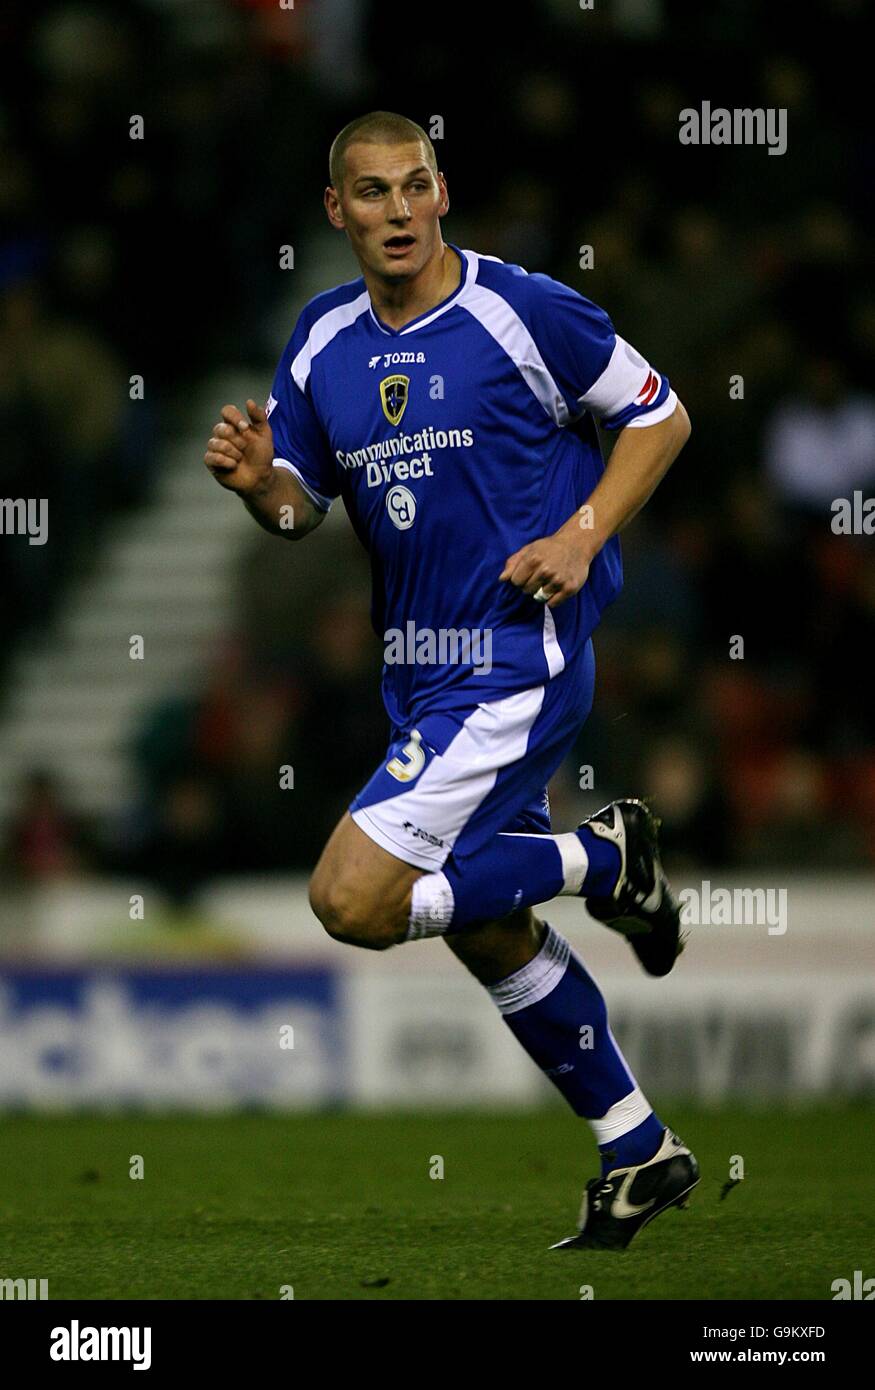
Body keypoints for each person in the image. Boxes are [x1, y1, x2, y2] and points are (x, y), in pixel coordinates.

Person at [205, 112, 696, 1249]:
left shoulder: (519, 308)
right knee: (487, 926)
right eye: (369, 193)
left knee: (353, 898)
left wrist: (580, 534)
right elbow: (298, 510)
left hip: (517, 653)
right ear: (337, 212)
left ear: (441, 192)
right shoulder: (322, 341)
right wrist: (254, 486)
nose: (395, 212)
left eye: (412, 186)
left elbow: (660, 415)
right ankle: (639, 1146)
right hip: (416, 677)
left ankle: (600, 855)